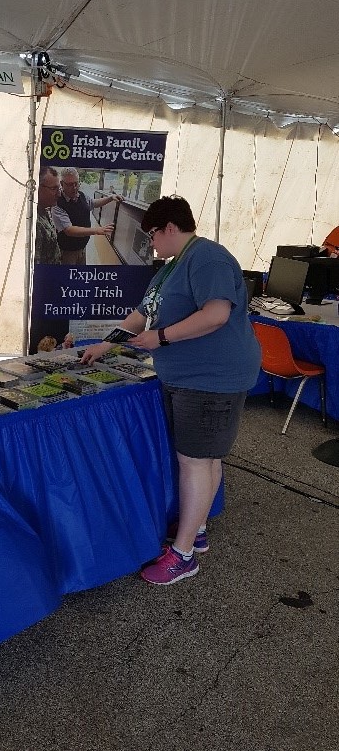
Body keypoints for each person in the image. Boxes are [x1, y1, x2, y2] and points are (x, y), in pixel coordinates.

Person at [81, 196, 261, 585]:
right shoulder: (170, 268)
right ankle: (194, 531)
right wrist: (104, 344)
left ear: (170, 228)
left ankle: (182, 556)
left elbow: (216, 314)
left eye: (153, 237)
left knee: (197, 461)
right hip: (188, 375)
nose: (152, 245)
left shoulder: (207, 258)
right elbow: (141, 314)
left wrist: (161, 338)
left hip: (211, 377)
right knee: (204, 458)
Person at [51, 167, 121, 264]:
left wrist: (110, 198)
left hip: (82, 248)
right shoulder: (58, 204)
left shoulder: (81, 195)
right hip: (67, 252)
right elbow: (69, 230)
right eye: (70, 184)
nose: (75, 187)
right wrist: (96, 230)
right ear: (62, 184)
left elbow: (93, 203)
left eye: (76, 183)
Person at [34, 166, 62, 265]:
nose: (59, 194)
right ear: (37, 187)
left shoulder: (46, 210)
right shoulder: (34, 222)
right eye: (54, 188)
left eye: (59, 188)